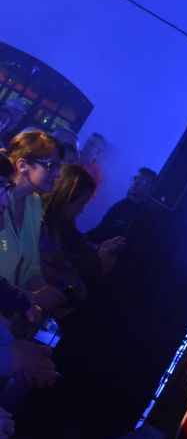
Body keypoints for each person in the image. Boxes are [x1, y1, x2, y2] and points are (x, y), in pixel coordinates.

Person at [0, 132, 65, 317]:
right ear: (23, 165)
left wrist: (46, 297)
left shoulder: (34, 203)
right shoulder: (1, 201)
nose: (58, 174)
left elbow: (31, 263)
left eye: (59, 167)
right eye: (51, 166)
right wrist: (30, 299)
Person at [41, 164, 122, 299]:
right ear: (67, 196)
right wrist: (97, 262)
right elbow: (56, 258)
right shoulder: (42, 219)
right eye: (81, 203)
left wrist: (100, 249)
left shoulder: (64, 221)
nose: (82, 210)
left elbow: (77, 242)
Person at [86, 166, 157, 245]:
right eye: (135, 178)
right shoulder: (122, 204)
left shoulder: (144, 214)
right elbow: (99, 229)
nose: (136, 183)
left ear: (151, 188)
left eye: (143, 181)